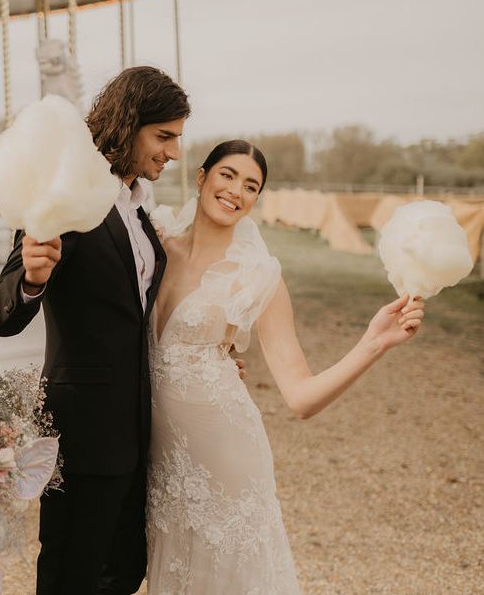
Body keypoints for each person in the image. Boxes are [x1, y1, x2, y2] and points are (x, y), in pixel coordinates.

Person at [145, 139, 425, 595]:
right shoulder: (154, 244)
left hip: (225, 462)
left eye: (251, 186)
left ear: (257, 200)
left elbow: (300, 397)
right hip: (161, 463)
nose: (236, 190)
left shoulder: (258, 277)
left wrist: (375, 342)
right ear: (202, 177)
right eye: (228, 175)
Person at [0, 66, 190, 595]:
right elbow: (1, 315)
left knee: (123, 570)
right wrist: (31, 277)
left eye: (178, 138)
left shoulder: (140, 211)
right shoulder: (69, 195)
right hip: (83, 430)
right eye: (164, 137)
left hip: (137, 428)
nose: (174, 152)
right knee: (71, 574)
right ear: (129, 124)